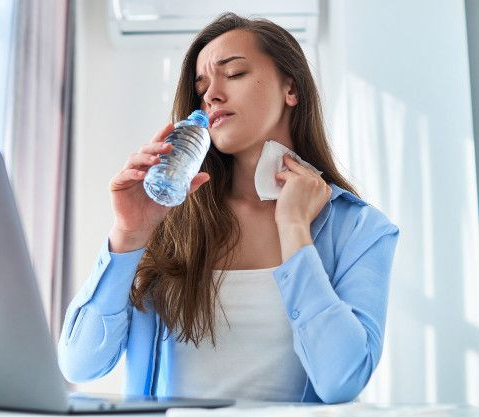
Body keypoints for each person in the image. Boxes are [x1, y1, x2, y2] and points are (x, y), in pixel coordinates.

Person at [58, 13, 399, 404]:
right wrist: (128, 234)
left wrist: (293, 228)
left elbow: (342, 380)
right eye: (201, 86)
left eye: (233, 73)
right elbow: (79, 364)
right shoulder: (169, 216)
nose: (212, 95)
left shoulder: (361, 229)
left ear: (292, 88)